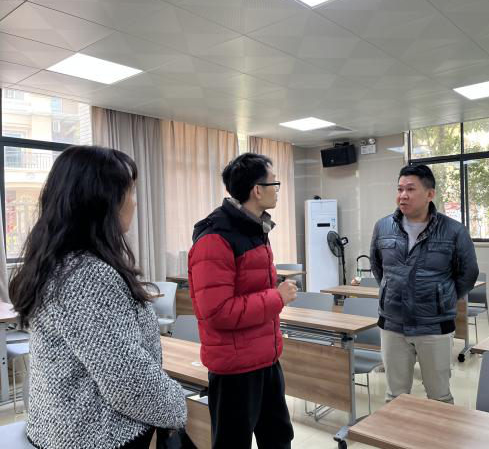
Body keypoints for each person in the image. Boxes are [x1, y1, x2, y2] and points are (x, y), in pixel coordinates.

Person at [9, 146, 187, 449]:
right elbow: (128, 382)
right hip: (97, 436)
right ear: (103, 199)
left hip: (65, 429)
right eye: (130, 192)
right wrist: (177, 404)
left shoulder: (60, 263)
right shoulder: (88, 275)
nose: (135, 202)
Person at [188, 153, 296, 449]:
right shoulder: (216, 238)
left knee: (279, 438)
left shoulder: (255, 228)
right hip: (235, 370)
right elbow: (218, 312)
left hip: (266, 358)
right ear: (257, 190)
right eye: (274, 183)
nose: (277, 190)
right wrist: (276, 297)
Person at [370, 164, 478, 404]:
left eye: (410, 189)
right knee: (395, 397)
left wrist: (443, 298)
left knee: (439, 397)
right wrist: (391, 291)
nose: (403, 195)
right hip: (393, 324)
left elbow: (468, 273)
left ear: (430, 194)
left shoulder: (454, 231)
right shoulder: (383, 227)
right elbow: (378, 267)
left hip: (434, 326)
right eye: (399, 189)